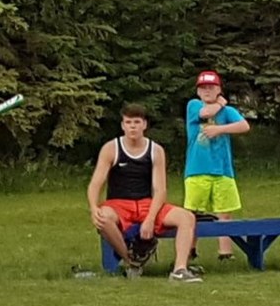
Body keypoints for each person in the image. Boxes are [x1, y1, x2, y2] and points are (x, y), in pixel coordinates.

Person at [87, 104, 202, 282]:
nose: (132, 126)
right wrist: (93, 207)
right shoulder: (111, 148)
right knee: (103, 217)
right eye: (128, 122)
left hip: (147, 203)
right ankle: (131, 261)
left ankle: (180, 269)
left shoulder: (155, 150)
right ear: (123, 125)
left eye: (137, 122)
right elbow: (96, 183)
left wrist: (150, 219)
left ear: (144, 125)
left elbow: (160, 189)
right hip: (119, 204)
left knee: (186, 217)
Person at [184, 70, 250, 261]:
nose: (207, 91)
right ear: (197, 91)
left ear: (218, 89)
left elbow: (244, 126)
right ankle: (188, 250)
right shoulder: (194, 105)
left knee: (224, 212)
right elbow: (206, 112)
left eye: (211, 87)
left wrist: (220, 129)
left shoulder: (227, 112)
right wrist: (221, 102)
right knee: (193, 212)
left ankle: (225, 253)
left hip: (222, 169)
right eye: (203, 87)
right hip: (197, 169)